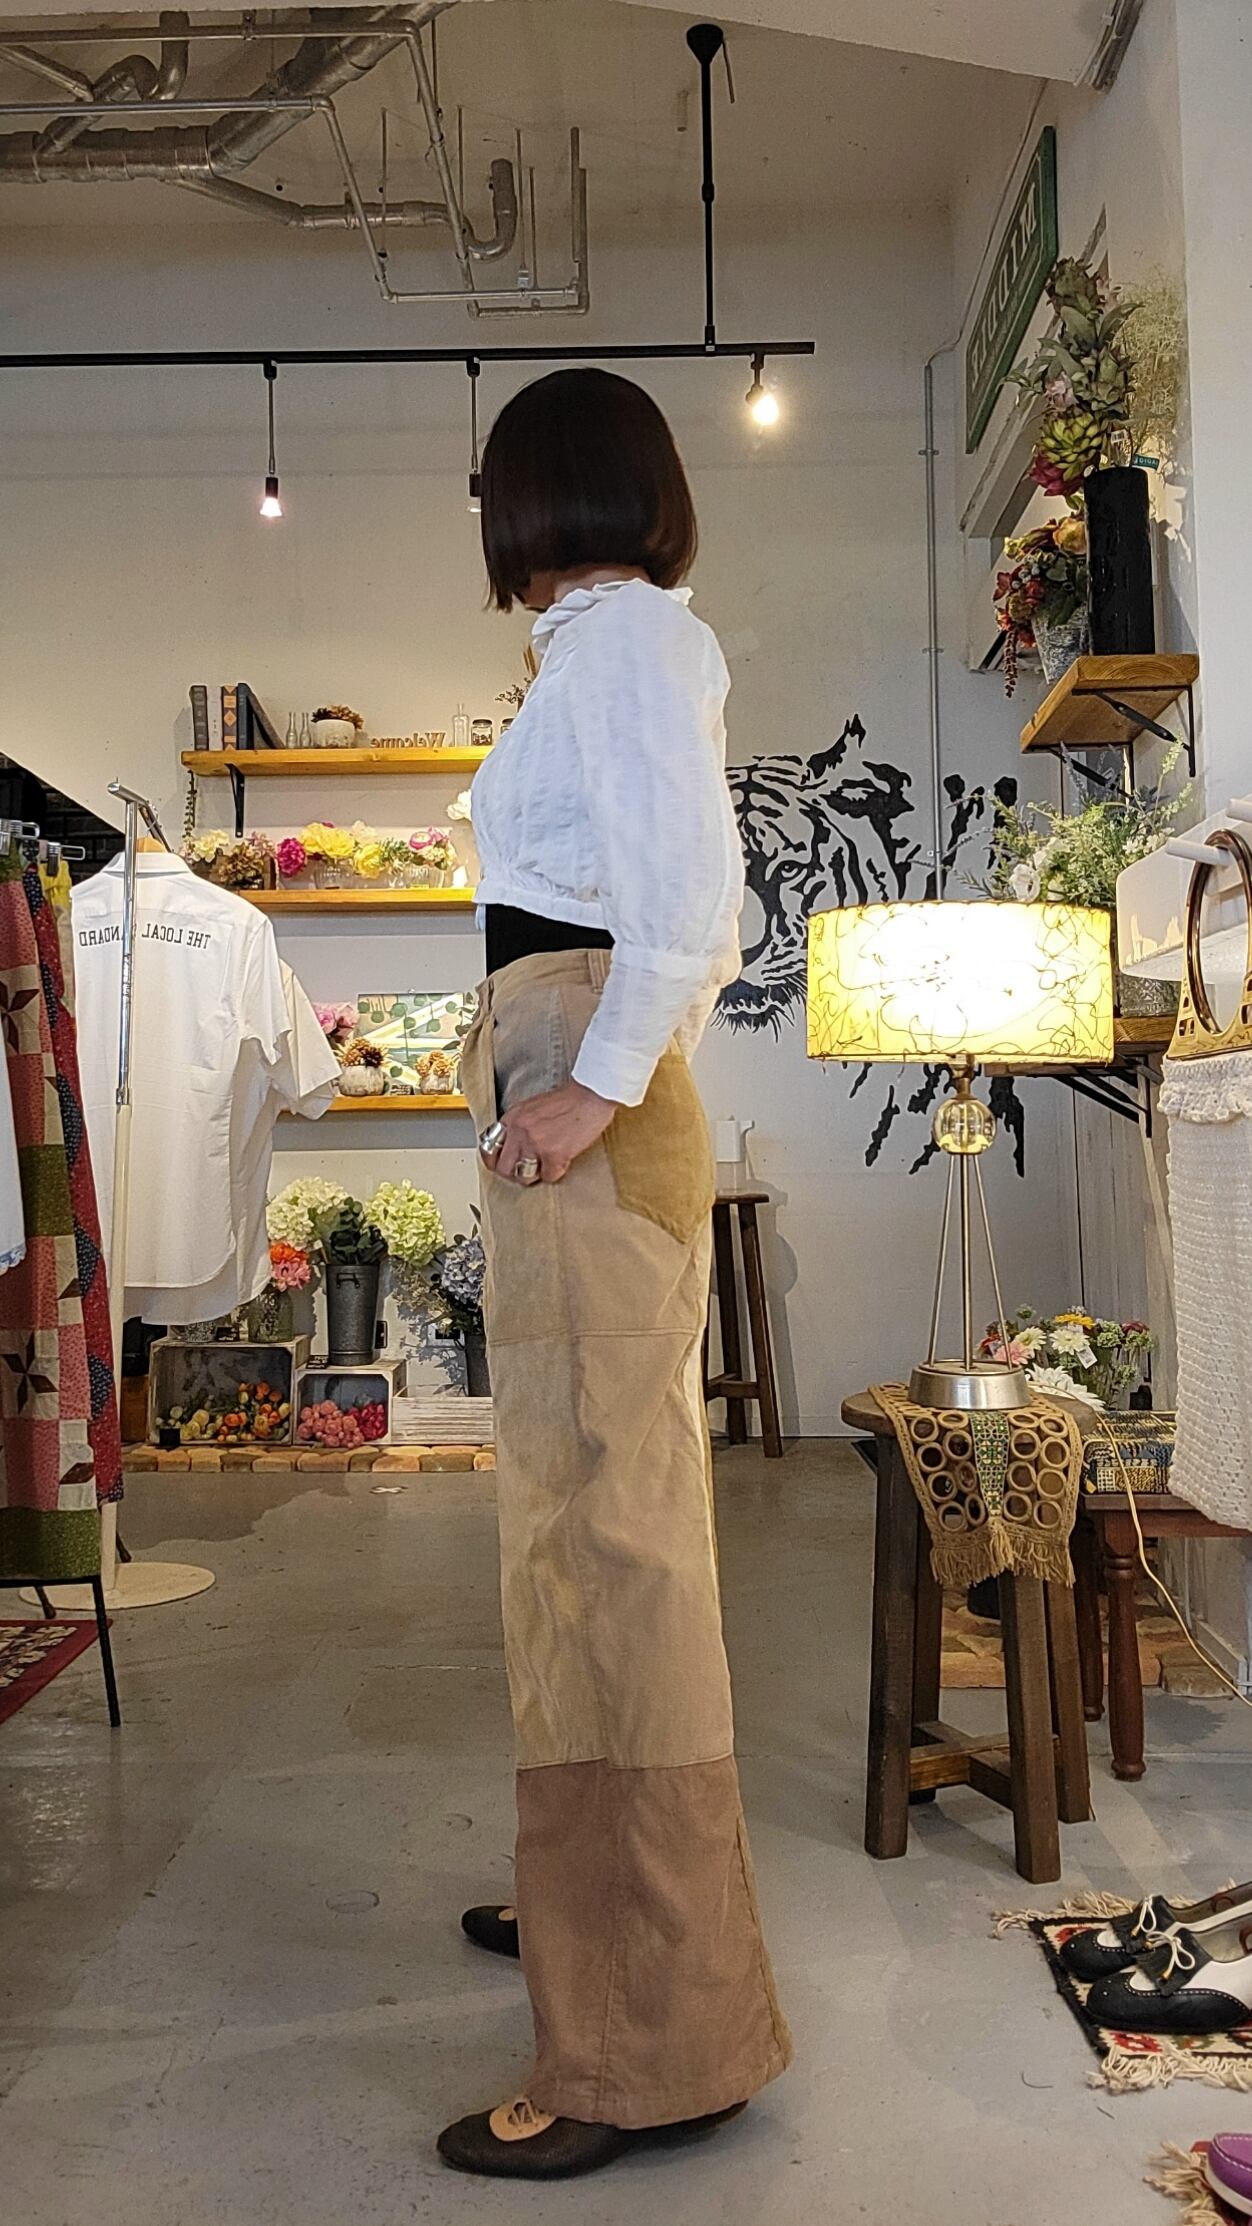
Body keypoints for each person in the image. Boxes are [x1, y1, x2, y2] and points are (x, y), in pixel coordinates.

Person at [439, 368, 792, 2181]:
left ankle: (647, 2038)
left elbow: (689, 901)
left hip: (585, 1076)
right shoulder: (595, 649)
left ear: (542, 494)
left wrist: (588, 1081)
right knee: (576, 1529)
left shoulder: (637, 639)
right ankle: (597, 1902)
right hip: (565, 1067)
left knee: (609, 1543)